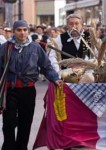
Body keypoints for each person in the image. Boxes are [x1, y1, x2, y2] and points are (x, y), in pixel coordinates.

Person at [0, 20, 62, 150]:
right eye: (19, 30)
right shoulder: (5, 47)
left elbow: (46, 67)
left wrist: (55, 78)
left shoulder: (35, 47)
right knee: (8, 123)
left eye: (24, 30)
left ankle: (22, 147)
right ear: (13, 31)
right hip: (10, 90)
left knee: (25, 122)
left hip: (28, 90)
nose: (22, 33)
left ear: (28, 31)